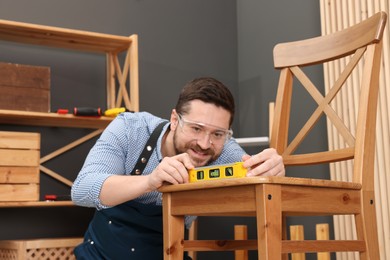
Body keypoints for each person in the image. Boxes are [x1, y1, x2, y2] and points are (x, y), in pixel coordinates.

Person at [71, 77, 285, 259]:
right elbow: (81, 190)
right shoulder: (130, 128)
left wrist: (271, 172)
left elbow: (256, 176)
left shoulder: (224, 151)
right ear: (175, 120)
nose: (204, 143)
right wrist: (149, 182)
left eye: (217, 134)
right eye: (196, 128)